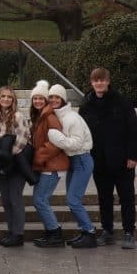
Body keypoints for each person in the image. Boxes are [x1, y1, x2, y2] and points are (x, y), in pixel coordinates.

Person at [80, 67, 137, 250]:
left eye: (102, 80)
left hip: (122, 160)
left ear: (108, 81)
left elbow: (134, 130)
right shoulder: (86, 104)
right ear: (92, 82)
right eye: (96, 80)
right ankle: (107, 231)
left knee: (127, 198)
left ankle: (129, 232)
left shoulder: (122, 102)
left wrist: (133, 156)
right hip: (99, 160)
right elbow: (81, 132)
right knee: (104, 198)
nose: (99, 83)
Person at [46, 84, 97, 248]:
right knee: (72, 199)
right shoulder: (59, 116)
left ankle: (90, 232)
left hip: (81, 159)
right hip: (74, 161)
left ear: (62, 99)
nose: (54, 100)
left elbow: (77, 143)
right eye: (51, 97)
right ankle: (83, 231)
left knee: (73, 200)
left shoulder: (71, 118)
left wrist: (57, 138)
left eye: (57, 97)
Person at [0, 86, 30, 247]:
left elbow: (23, 138)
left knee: (15, 197)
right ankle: (11, 230)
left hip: (16, 163)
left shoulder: (18, 116)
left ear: (13, 100)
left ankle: (18, 234)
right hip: (1, 164)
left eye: (9, 97)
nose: (6, 99)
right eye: (3, 96)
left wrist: (8, 156)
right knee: (5, 199)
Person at [29, 80, 68, 248]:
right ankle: (51, 232)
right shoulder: (41, 116)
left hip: (51, 166)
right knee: (40, 199)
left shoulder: (50, 117)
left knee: (40, 200)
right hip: (47, 165)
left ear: (45, 101)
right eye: (35, 98)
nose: (37, 101)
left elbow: (56, 143)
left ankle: (55, 234)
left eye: (41, 98)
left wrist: (38, 157)